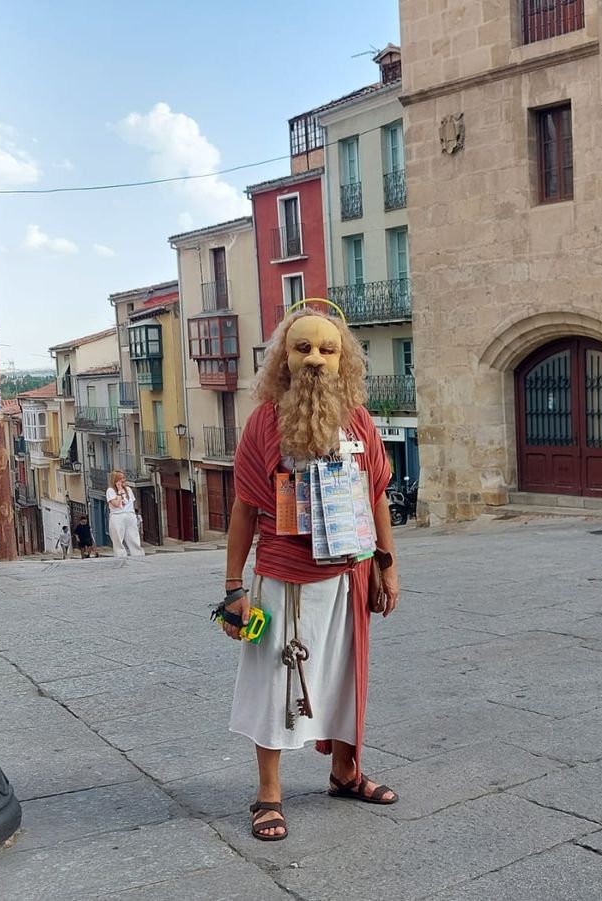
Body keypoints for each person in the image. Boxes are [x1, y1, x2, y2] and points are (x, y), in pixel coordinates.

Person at [219, 307, 401, 843]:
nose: (316, 360)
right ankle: (268, 795)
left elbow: (377, 497)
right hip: (281, 578)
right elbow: (245, 510)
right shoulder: (262, 424)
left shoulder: (361, 421)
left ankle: (345, 774)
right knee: (274, 684)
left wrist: (387, 568)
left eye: (327, 350)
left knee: (346, 678)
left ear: (342, 359)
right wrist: (233, 589)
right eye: (304, 349)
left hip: (350, 574)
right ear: (285, 359)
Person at [106, 470, 144, 558]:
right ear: (115, 480)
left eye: (124, 478)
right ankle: (121, 557)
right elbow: (116, 504)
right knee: (118, 540)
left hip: (129, 515)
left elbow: (132, 503)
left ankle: (138, 555)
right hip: (117, 516)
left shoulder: (128, 489)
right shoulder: (110, 490)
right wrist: (119, 492)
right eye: (121, 478)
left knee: (133, 537)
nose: (123, 480)